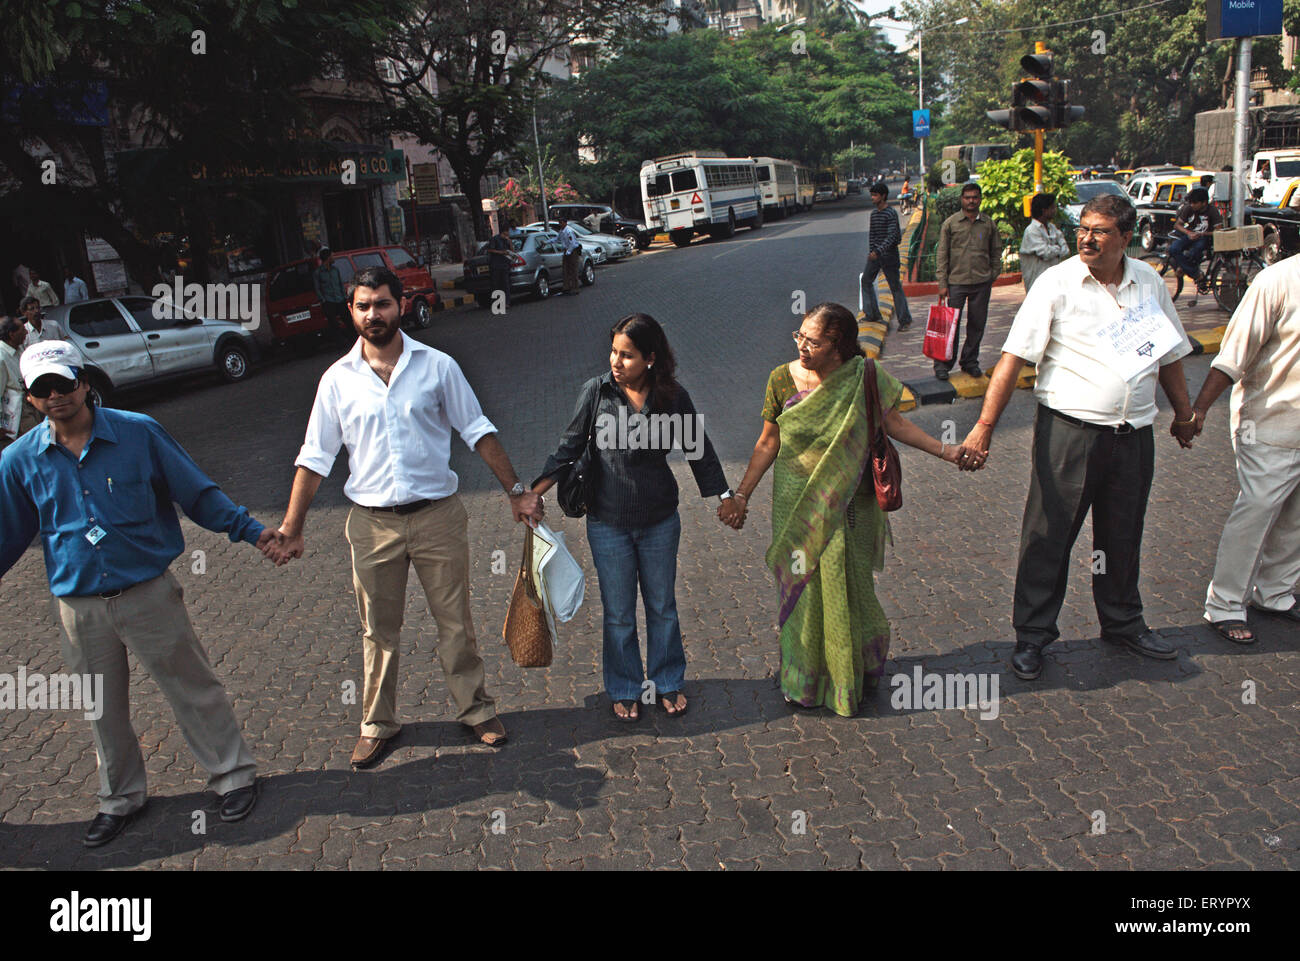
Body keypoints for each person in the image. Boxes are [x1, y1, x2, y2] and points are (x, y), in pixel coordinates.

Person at [266, 266, 542, 767]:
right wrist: (292, 526)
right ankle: (377, 722)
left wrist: (517, 492)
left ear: (401, 305)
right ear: (351, 311)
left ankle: (476, 710)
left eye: (383, 304)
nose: (374, 314)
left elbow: (477, 430)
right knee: (378, 628)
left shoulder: (438, 367)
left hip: (438, 516)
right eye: (363, 305)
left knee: (455, 621)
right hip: (371, 525)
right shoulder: (336, 382)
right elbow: (314, 458)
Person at [0, 341, 273, 847]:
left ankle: (233, 776)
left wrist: (253, 532)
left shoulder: (138, 433)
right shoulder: (19, 461)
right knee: (101, 709)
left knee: (193, 688)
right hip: (79, 609)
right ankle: (120, 798)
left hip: (148, 594)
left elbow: (196, 492)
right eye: (43, 389)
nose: (56, 395)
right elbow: (6, 533)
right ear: (31, 398)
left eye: (64, 383)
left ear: (85, 381)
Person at [959, 194, 1199, 681]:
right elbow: (1013, 359)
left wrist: (1184, 413)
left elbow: (1171, 354)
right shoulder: (1057, 283)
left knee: (1122, 533)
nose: (1087, 238)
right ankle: (1032, 635)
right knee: (1048, 536)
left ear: (1126, 237)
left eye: (1100, 230)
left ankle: (1123, 621)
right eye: (1083, 228)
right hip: (1069, 433)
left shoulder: (1148, 282)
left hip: (1133, 436)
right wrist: (984, 426)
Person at [724, 303, 965, 716]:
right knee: (803, 590)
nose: (802, 346)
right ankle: (803, 680)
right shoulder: (781, 379)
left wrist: (948, 451)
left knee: (849, 584)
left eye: (812, 341)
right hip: (795, 502)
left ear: (837, 347)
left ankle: (849, 675)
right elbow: (768, 441)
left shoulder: (864, 377)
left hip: (849, 501)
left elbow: (896, 425)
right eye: (799, 337)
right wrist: (742, 494)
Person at [532, 314, 731, 722]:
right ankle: (624, 687)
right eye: (614, 352)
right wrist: (531, 495)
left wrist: (725, 496)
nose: (616, 362)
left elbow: (700, 451)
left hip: (660, 520)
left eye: (628, 355)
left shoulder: (671, 396)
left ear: (651, 358)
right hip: (608, 523)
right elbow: (568, 447)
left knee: (662, 606)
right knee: (619, 612)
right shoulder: (597, 392)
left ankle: (666, 681)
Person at [1191, 254, 1300, 643]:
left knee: (1295, 519)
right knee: (1256, 511)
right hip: (1267, 423)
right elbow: (1233, 355)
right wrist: (1199, 409)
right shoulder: (1277, 281)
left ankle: (1275, 592)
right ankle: (1225, 604)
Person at [935, 182, 1002, 379]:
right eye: (967, 197)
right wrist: (942, 283)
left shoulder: (988, 224)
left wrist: (993, 273)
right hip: (956, 283)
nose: (971, 201)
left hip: (981, 283)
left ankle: (969, 361)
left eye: (975, 197)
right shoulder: (951, 223)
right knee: (950, 326)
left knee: (977, 325)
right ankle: (942, 365)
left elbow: (996, 250)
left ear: (980, 199)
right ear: (961, 200)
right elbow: (942, 254)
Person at [862, 183, 913, 332]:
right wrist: (872, 252)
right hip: (875, 256)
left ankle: (904, 320)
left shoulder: (890, 213)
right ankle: (872, 313)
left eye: (875, 195)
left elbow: (893, 237)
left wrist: (878, 251)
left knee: (895, 287)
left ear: (883, 196)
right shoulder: (874, 214)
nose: (873, 198)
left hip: (889, 255)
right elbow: (872, 235)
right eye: (872, 195)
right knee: (866, 281)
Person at [1166, 187, 1221, 308]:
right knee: (1173, 248)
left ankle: (1184, 268)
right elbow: (1178, 225)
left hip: (1205, 238)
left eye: (1195, 203)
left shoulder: (1212, 211)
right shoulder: (1188, 209)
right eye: (1191, 202)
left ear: (1204, 203)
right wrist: (1188, 233)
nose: (1192, 205)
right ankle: (1195, 273)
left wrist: (1202, 234)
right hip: (1189, 236)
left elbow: (1218, 231)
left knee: (1196, 250)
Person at [1019, 193, 1070, 292]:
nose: (1054, 211)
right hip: (1037, 281)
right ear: (1044, 210)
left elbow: (1066, 250)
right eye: (1052, 208)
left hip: (1054, 280)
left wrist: (1054, 250)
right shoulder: (1032, 231)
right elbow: (1046, 253)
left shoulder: (1052, 228)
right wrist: (1057, 249)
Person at [0, 318, 38, 446]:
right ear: (12, 334)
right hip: (19, 415)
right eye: (22, 329)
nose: (27, 332)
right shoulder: (1, 357)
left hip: (33, 407)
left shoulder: (19, 350)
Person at [312, 247, 350, 343]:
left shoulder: (335, 270)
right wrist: (323, 300)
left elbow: (340, 284)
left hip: (340, 299)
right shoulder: (318, 273)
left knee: (348, 320)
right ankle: (340, 342)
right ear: (327, 258)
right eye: (332, 256)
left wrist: (344, 296)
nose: (334, 258)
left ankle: (352, 339)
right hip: (329, 301)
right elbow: (317, 288)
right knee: (334, 324)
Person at [484, 219, 514, 309]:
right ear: (505, 231)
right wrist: (501, 252)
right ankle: (496, 303)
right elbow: (490, 250)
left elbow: (512, 251)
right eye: (508, 231)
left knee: (506, 284)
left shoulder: (507, 240)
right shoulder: (495, 239)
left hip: (505, 265)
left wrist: (510, 243)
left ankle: (507, 302)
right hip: (496, 265)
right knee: (496, 284)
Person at [558, 217, 582, 295]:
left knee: (573, 269)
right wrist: (547, 242)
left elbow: (572, 243)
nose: (560, 224)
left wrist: (568, 252)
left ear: (565, 223)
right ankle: (567, 287)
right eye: (559, 222)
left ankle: (575, 288)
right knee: (565, 269)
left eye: (561, 222)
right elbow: (557, 239)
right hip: (566, 250)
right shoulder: (561, 231)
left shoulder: (569, 231)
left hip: (572, 251)